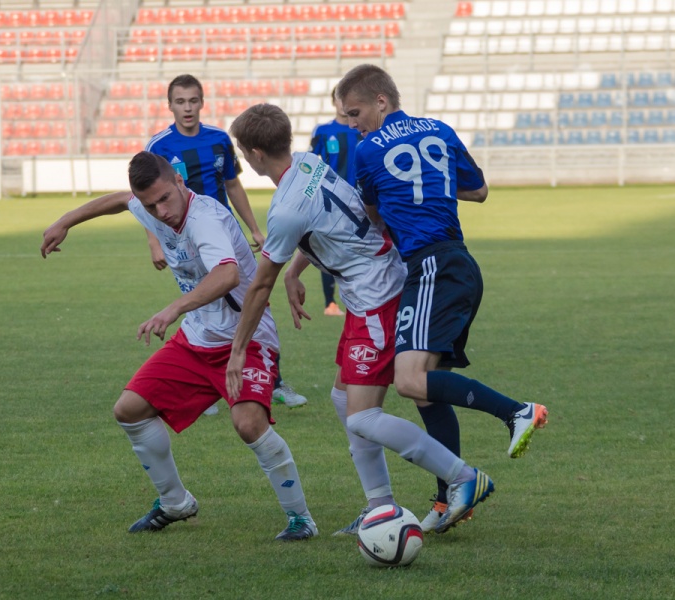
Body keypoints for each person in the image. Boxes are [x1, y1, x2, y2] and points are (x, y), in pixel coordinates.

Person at [225, 103, 494, 535]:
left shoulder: (285, 208)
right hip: (369, 290)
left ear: (255, 154)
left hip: (376, 300)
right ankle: (379, 505)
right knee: (342, 399)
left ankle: (462, 476)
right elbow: (335, 222)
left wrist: (238, 350)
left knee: (362, 417)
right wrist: (296, 271)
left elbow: (259, 286)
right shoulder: (310, 163)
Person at [40, 151, 317, 541]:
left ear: (180, 182)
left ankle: (301, 519)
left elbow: (227, 274)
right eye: (151, 205)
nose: (161, 212)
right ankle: (175, 502)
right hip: (198, 338)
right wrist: (64, 221)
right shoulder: (151, 206)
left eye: (165, 199)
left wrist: (173, 308)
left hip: (247, 337)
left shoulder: (205, 220)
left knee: (248, 423)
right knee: (129, 410)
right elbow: (120, 200)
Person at [335, 64, 549, 530]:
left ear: (381, 101)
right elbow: (480, 190)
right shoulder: (440, 129)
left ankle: (516, 411)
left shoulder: (368, 149)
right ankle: (448, 499)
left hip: (431, 267)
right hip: (457, 263)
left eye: (354, 113)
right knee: (428, 393)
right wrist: (433, 188)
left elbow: (372, 215)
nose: (352, 124)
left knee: (409, 381)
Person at [145, 74, 307, 411]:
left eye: (193, 101)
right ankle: (207, 383)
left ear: (202, 102)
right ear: (170, 105)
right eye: (180, 101)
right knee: (204, 309)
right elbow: (146, 197)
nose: (187, 108)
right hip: (187, 243)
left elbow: (233, 186)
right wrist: (154, 242)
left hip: (225, 237)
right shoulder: (158, 145)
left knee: (256, 303)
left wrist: (254, 229)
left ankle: (273, 381)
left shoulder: (219, 139)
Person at [308, 86, 363, 317]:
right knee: (329, 250)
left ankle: (361, 298)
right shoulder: (323, 131)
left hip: (361, 201)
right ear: (334, 102)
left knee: (361, 249)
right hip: (331, 201)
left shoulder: (361, 129)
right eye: (339, 99)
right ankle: (330, 302)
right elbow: (311, 162)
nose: (343, 104)